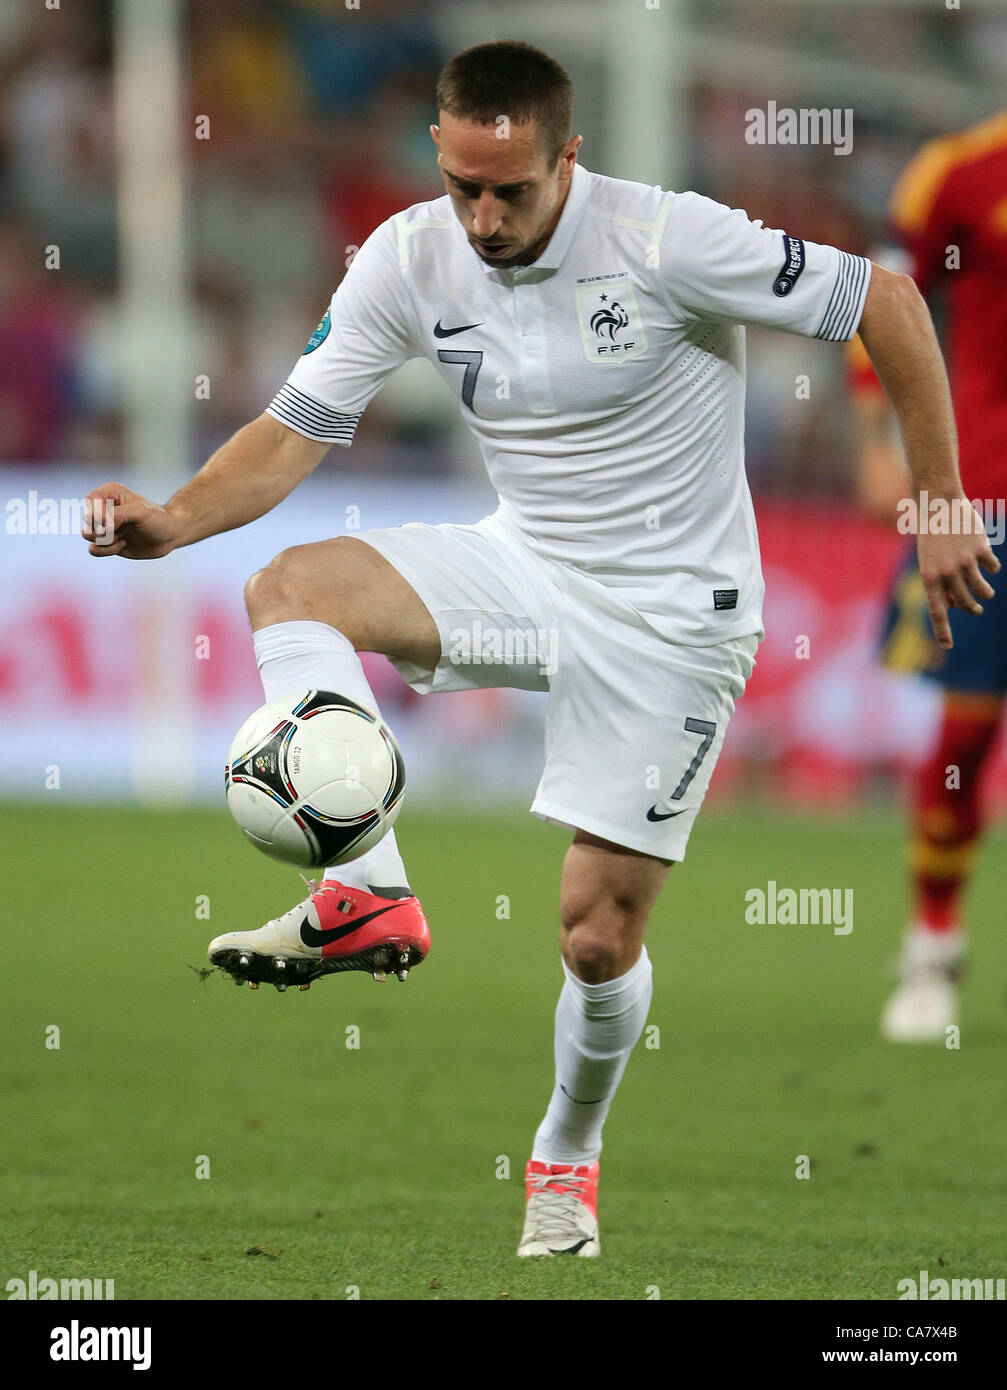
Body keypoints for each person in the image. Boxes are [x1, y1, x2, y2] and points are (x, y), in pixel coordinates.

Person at [82, 41, 997, 1256]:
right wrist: (172, 516)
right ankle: (369, 888)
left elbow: (885, 304)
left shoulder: (667, 237)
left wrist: (939, 503)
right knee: (291, 586)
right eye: (464, 185)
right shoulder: (411, 255)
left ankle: (565, 1152)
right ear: (440, 159)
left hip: (676, 618)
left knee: (593, 934)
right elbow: (291, 428)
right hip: (523, 567)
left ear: (567, 158)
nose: (484, 215)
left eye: (511, 189)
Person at [848, 110, 1007, 1042]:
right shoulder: (959, 170)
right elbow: (872, 289)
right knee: (966, 732)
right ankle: (930, 947)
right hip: (987, 497)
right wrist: (877, 435)